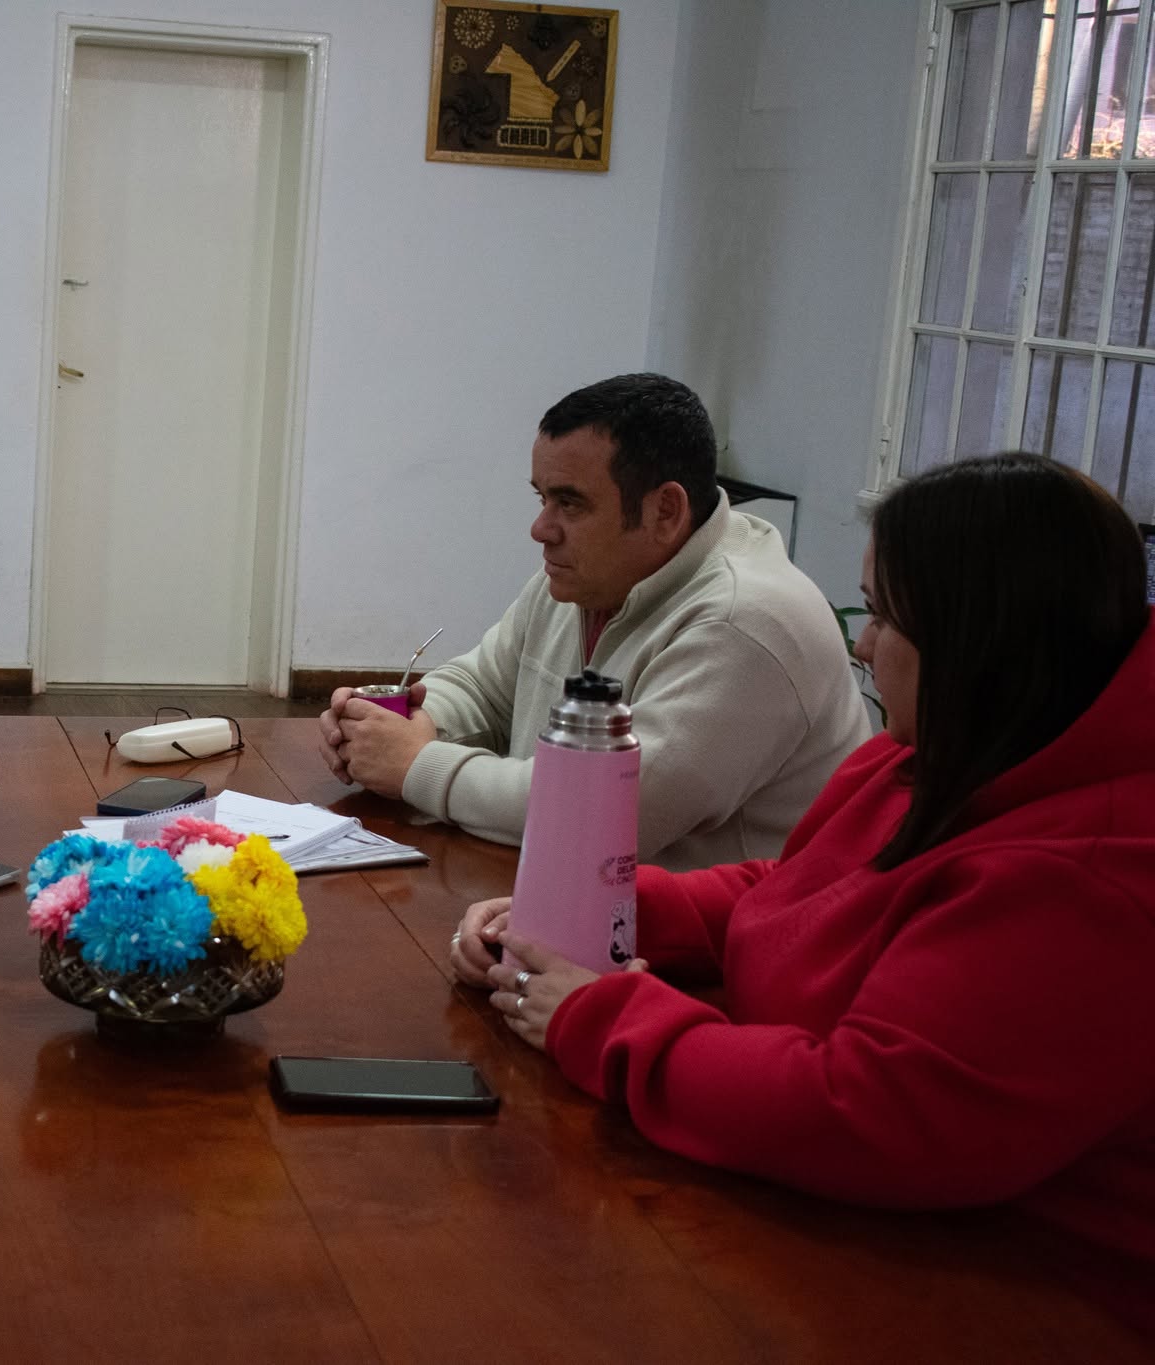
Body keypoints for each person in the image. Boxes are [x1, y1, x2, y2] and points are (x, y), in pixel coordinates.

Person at [451, 453, 1155, 1333]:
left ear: (982, 643)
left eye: (888, 617)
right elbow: (794, 890)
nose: (862, 642)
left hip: (1005, 1292)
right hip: (847, 1221)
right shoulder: (931, 752)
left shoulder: (1094, 878)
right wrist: (589, 920)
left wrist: (601, 1016)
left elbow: (869, 1112)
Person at [317, 373, 870, 869]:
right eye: (541, 498)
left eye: (570, 503)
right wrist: (396, 726)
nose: (541, 528)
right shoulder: (583, 579)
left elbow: (607, 817)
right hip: (571, 906)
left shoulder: (746, 622)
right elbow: (483, 686)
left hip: (717, 964)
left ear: (665, 512)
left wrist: (417, 764)